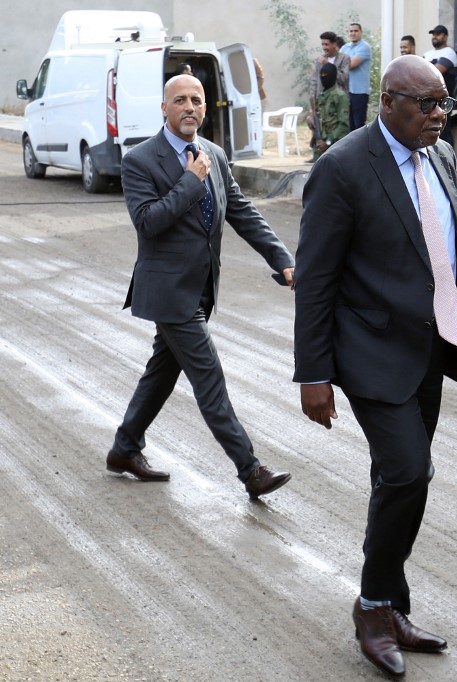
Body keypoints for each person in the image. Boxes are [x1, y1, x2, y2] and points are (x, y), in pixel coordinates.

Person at [293, 55, 457, 677]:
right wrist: (313, 373)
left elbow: (444, 245)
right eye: (427, 104)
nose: (440, 115)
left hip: (430, 345)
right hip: (370, 350)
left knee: (404, 479)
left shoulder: (440, 155)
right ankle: (373, 607)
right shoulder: (343, 168)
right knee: (407, 472)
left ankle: (391, 605)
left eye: (445, 102)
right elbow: (316, 279)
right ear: (389, 103)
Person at [106, 74, 295, 499]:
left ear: (205, 108)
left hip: (201, 288)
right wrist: (189, 181)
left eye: (196, 100)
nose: (189, 106)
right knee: (210, 380)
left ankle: (124, 449)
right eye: (180, 100)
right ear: (165, 108)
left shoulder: (213, 154)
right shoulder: (140, 160)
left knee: (161, 373)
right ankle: (251, 471)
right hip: (169, 293)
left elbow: (242, 212)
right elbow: (148, 222)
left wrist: (282, 260)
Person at [308, 31, 351, 160]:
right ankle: (317, 154)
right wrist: (312, 108)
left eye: (327, 44)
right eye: (323, 44)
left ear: (334, 44)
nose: (325, 47)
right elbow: (314, 83)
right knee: (318, 130)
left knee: (337, 134)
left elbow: (343, 78)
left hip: (337, 103)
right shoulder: (319, 61)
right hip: (321, 103)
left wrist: (328, 65)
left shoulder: (344, 59)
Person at [423, 25, 457, 146]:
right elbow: (419, 72)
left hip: (444, 101)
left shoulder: (450, 52)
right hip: (428, 100)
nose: (434, 37)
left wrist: (425, 66)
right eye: (433, 34)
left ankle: (448, 162)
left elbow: (435, 72)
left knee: (443, 131)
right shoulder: (428, 53)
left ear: (446, 36)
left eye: (438, 34)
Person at [312, 62, 350, 160]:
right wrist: (310, 120)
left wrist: (328, 142)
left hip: (334, 148)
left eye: (326, 76)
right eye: (321, 76)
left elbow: (343, 125)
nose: (323, 78)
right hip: (319, 148)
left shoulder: (340, 96)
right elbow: (318, 120)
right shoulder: (320, 96)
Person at [341, 23, 372, 132]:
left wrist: (342, 63)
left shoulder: (364, 47)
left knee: (358, 125)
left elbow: (352, 64)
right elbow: (337, 64)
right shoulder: (345, 47)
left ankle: (360, 149)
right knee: (348, 125)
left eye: (355, 31)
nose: (353, 33)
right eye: (351, 31)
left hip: (359, 92)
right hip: (346, 92)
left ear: (361, 32)